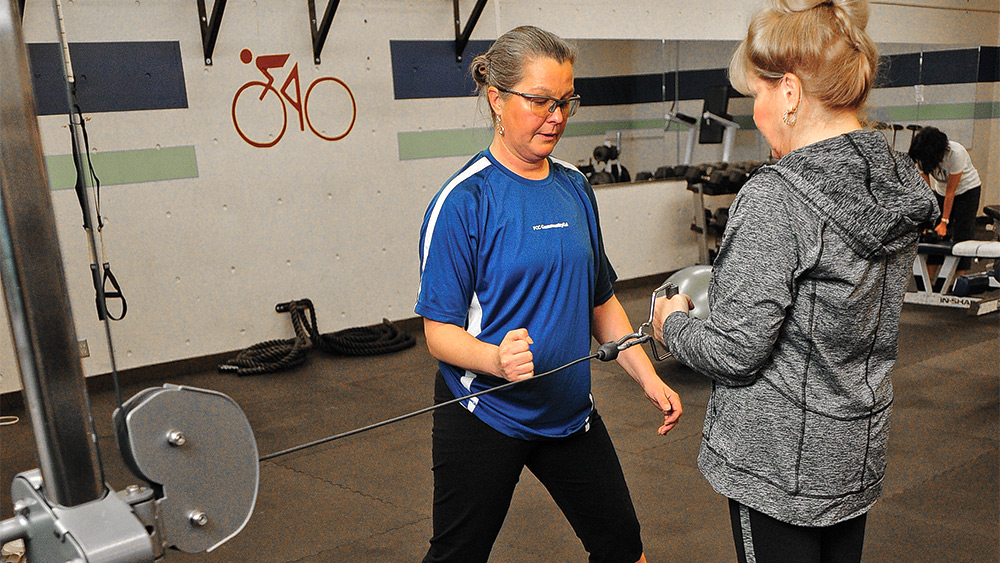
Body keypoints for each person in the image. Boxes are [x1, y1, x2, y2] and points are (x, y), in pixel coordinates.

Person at [651, 1, 938, 562]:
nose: (754, 113)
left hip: (779, 462)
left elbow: (735, 352)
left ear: (788, 92)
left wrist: (673, 324)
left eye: (754, 95)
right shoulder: (897, 179)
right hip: (853, 450)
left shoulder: (778, 196)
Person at [415, 25, 682, 563]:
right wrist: (494, 357)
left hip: (567, 412)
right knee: (457, 556)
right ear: (496, 99)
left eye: (565, 102)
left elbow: (599, 300)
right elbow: (438, 333)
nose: (555, 116)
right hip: (484, 411)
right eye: (539, 101)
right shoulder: (464, 201)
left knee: (622, 546)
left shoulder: (575, 186)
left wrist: (647, 377)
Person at [908, 125, 982, 275]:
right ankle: (929, 286)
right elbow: (926, 191)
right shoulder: (922, 157)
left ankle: (959, 285)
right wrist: (928, 220)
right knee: (934, 236)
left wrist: (944, 221)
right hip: (941, 192)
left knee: (962, 236)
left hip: (967, 191)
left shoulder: (956, 153)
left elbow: (951, 191)